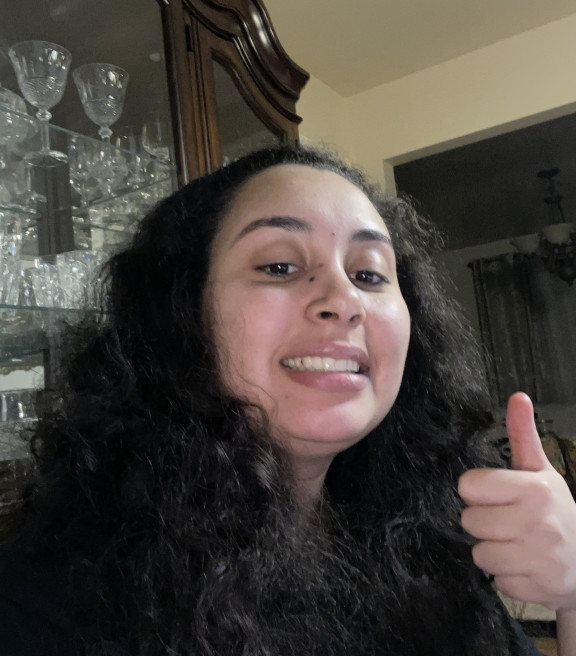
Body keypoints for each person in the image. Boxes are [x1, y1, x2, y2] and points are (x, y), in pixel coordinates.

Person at [0, 144, 575, 656]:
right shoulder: (46, 601)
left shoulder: (430, 543)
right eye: (279, 266)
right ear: (181, 313)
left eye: (370, 275)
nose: (344, 300)